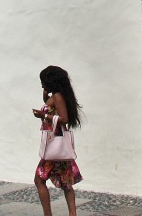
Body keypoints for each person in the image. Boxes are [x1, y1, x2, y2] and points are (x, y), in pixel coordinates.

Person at [32, 65, 83, 216]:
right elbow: (52, 107)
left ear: (50, 82)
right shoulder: (56, 96)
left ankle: (48, 214)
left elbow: (64, 118)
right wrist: (45, 97)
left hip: (55, 145)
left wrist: (43, 116)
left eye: (43, 81)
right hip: (57, 145)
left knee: (39, 180)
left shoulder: (58, 97)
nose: (41, 84)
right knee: (66, 184)